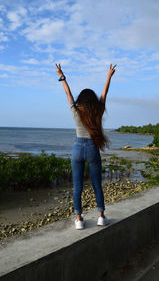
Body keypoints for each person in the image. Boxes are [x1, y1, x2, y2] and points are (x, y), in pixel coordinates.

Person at [55, 63, 116, 229]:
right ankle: (101, 216)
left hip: (77, 149)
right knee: (97, 185)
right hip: (92, 149)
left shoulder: (75, 111)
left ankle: (79, 219)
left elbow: (67, 93)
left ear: (80, 100)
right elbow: (104, 93)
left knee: (78, 187)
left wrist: (62, 76)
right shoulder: (98, 111)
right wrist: (109, 76)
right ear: (93, 101)